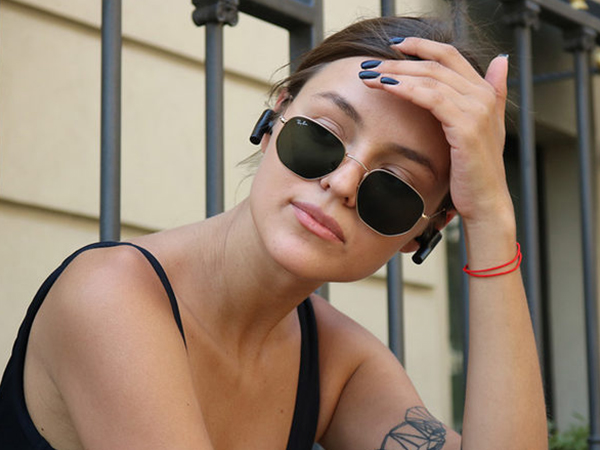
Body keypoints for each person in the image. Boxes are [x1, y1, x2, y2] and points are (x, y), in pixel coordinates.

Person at [0, 14, 547, 450]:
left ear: (421, 232)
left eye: (395, 187)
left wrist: (491, 219)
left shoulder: (337, 362)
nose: (342, 184)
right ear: (274, 119)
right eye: (321, 136)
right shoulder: (110, 295)